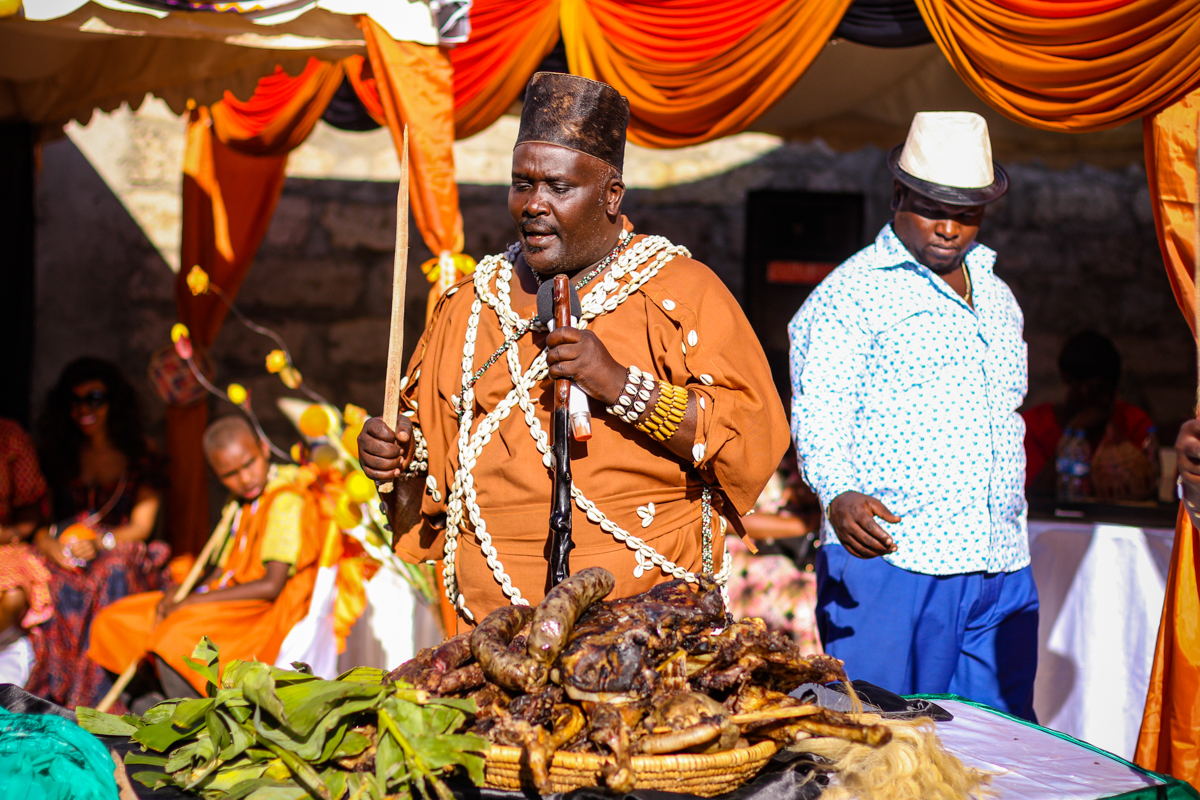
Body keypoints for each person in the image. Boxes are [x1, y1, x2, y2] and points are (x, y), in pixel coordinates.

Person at [358, 72, 788, 628]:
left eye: (558, 188)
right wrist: (398, 453)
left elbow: (748, 436)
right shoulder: (468, 303)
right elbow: (431, 452)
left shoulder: (680, 291)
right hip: (488, 622)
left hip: (642, 621)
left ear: (611, 196)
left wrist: (618, 385)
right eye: (522, 184)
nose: (533, 204)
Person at [789, 112, 1037, 719]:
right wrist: (838, 492)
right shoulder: (849, 295)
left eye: (968, 211)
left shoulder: (998, 293)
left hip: (999, 563)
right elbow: (819, 410)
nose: (950, 227)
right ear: (899, 195)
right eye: (932, 207)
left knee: (1001, 748)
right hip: (895, 561)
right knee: (883, 748)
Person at [89, 415, 331, 698]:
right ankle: (150, 709)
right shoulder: (241, 501)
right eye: (230, 474)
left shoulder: (285, 499)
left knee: (175, 636)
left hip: (258, 611)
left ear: (264, 450)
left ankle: (189, 721)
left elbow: (271, 586)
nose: (244, 478)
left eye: (249, 464)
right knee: (114, 622)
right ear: (216, 474)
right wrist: (181, 592)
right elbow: (222, 568)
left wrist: (191, 602)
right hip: (224, 596)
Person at [27, 357, 168, 709]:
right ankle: (61, 692)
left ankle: (106, 695)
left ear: (113, 402)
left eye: (94, 398)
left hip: (119, 546)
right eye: (74, 401)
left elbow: (142, 526)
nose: (83, 409)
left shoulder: (139, 454)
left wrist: (101, 542)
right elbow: (38, 522)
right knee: (51, 578)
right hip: (68, 547)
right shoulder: (59, 454)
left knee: (113, 570)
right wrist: (50, 545)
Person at [1022, 330, 1157, 501]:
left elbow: (1147, 492)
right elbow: (1034, 499)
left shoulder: (1133, 421)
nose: (1106, 400)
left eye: (1112, 391)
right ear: (1069, 380)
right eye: (1096, 390)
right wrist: (1072, 436)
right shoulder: (1035, 425)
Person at [725, 450, 823, 651]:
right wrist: (800, 526)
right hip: (747, 554)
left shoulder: (797, 447)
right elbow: (717, 517)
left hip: (794, 556)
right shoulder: (728, 451)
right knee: (802, 607)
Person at [0, 418, 53, 687]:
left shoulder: (9, 438)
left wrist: (8, 534)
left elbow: (31, 511)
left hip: (3, 541)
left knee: (11, 595)